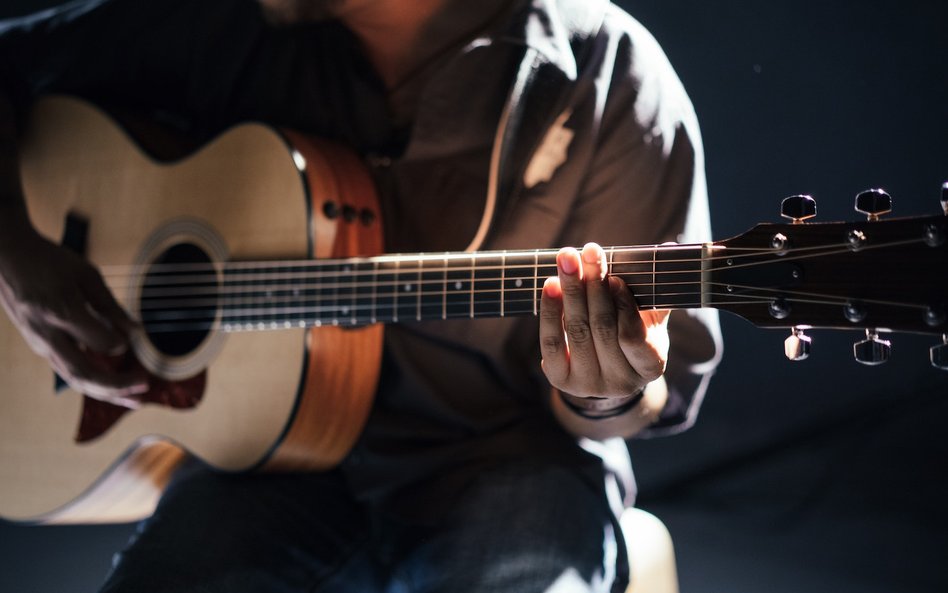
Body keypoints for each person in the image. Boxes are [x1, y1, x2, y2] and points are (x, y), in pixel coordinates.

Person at [0, 0, 721, 591]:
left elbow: (645, 396)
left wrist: (606, 388)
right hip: (267, 468)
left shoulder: (609, 74)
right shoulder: (228, 26)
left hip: (507, 460)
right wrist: (17, 254)